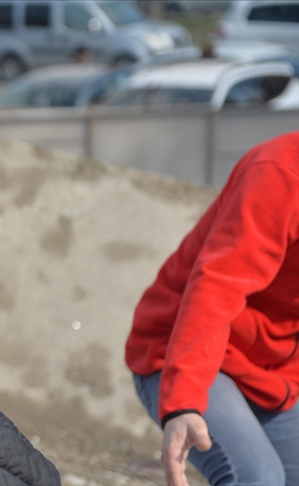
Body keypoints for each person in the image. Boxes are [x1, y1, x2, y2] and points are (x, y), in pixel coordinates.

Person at [125, 132, 299, 486]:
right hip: (185, 350)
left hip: (273, 369)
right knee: (258, 476)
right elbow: (218, 287)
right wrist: (183, 403)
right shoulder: (280, 171)